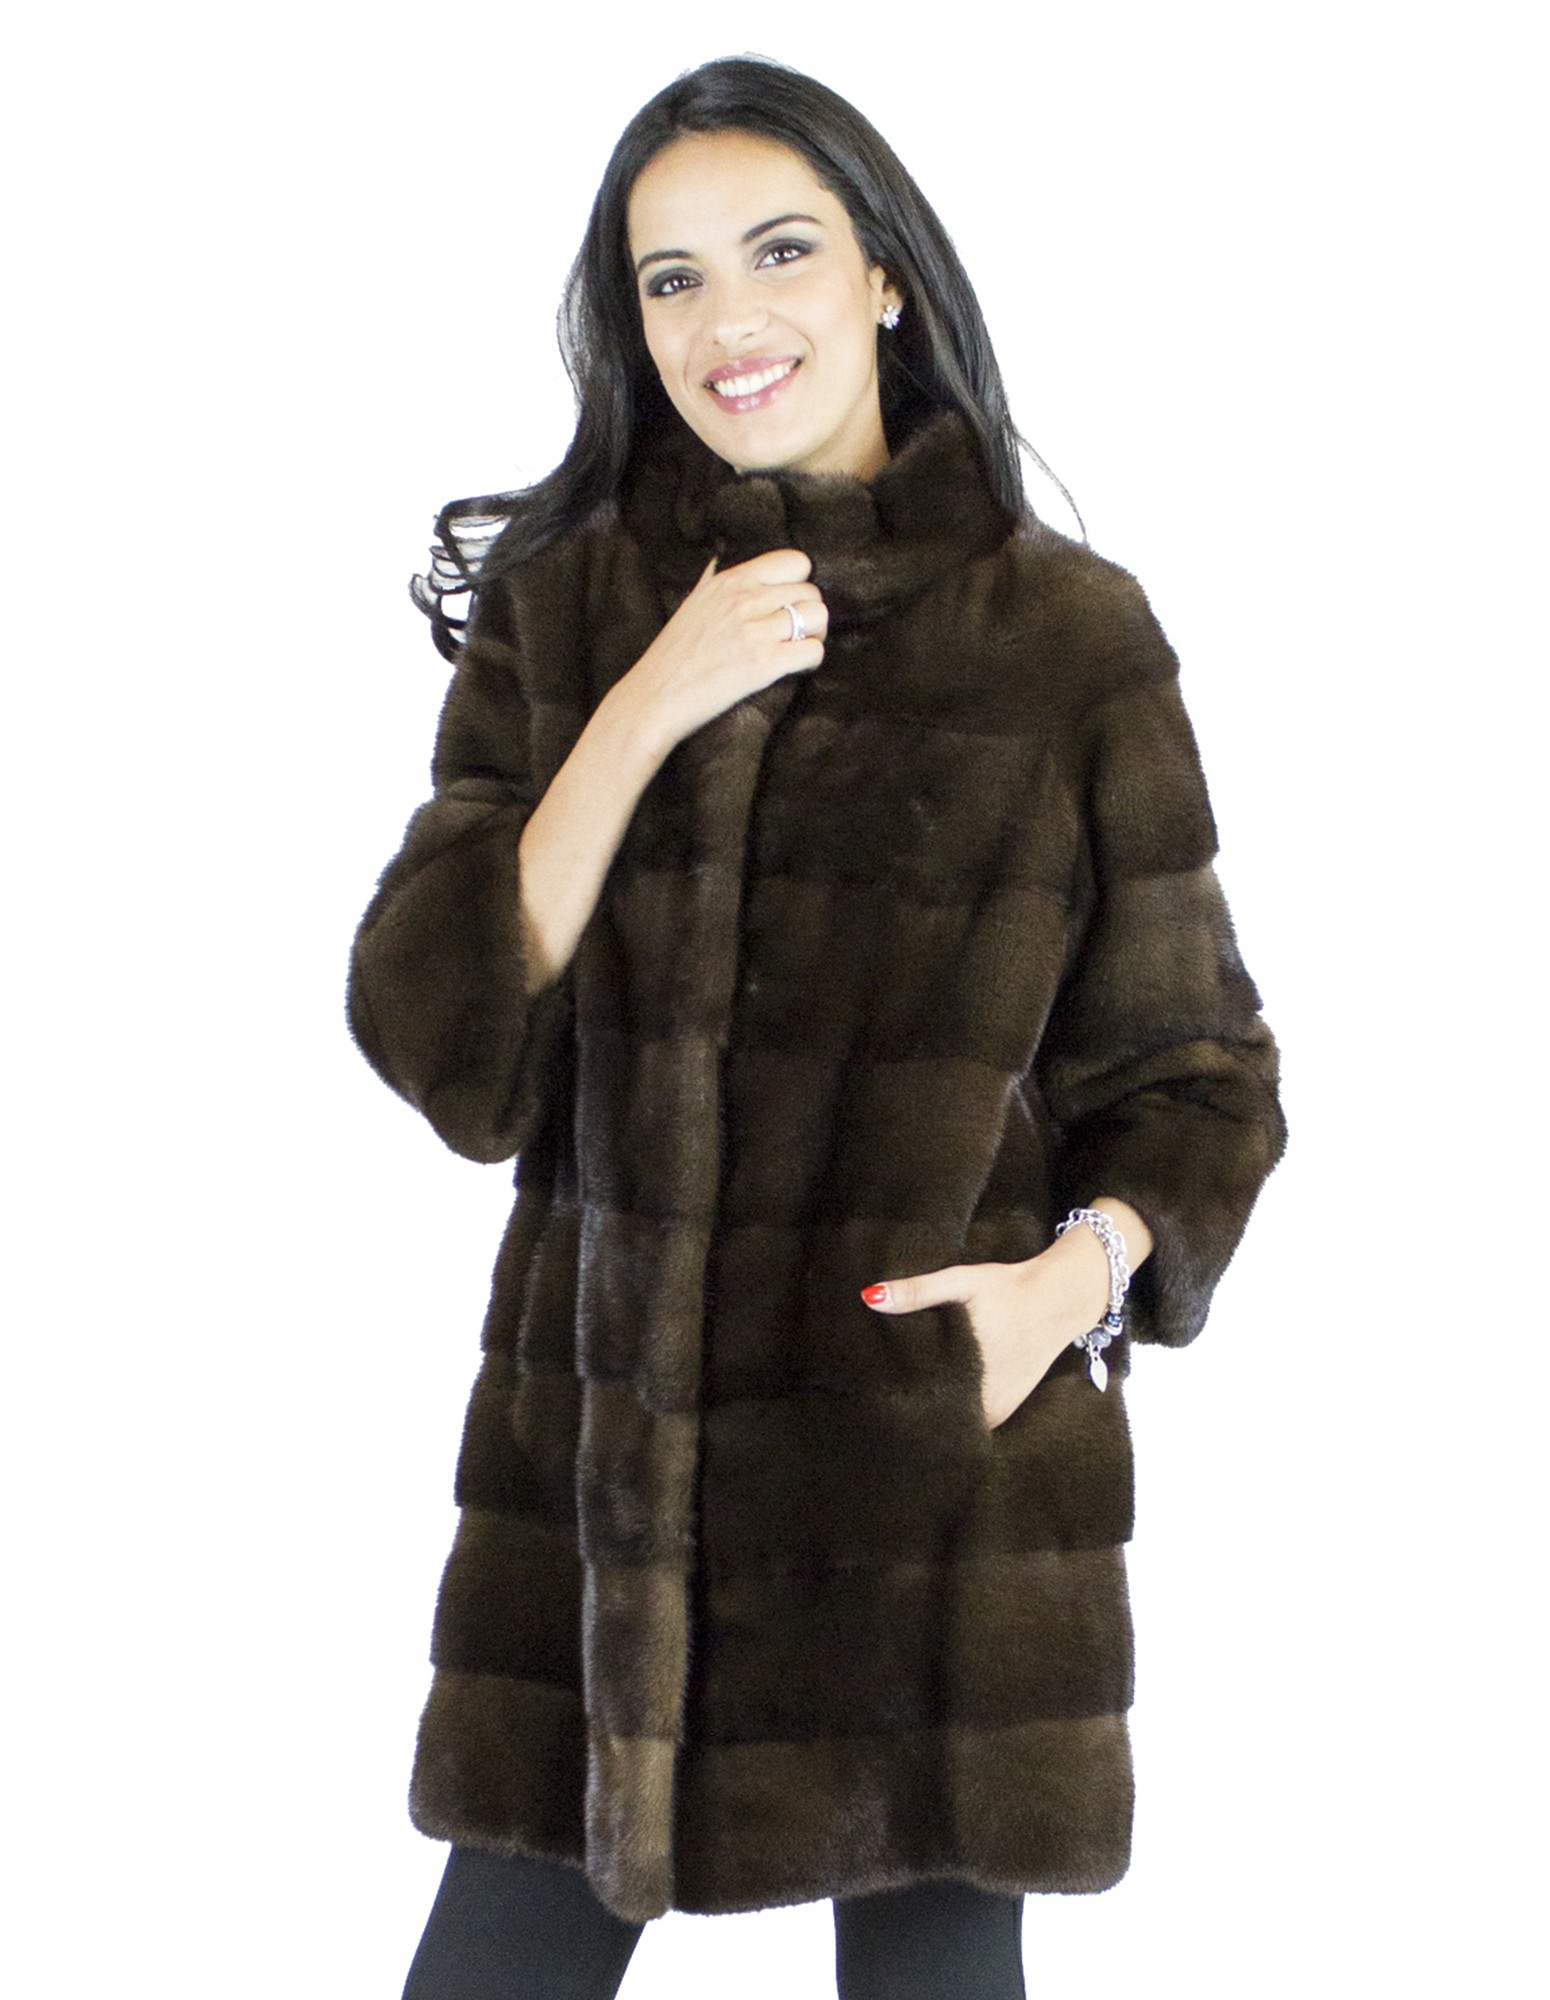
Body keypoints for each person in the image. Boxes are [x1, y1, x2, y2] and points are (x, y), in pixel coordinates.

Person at [346, 52, 1288, 2000]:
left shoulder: (1064, 639)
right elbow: (446, 1045)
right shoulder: (568, 610)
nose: (726, 319)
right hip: (599, 1523)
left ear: (881, 277)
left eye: (776, 251)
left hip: (932, 1497)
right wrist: (640, 707)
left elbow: (1196, 1073)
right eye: (668, 278)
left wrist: (1067, 1286)